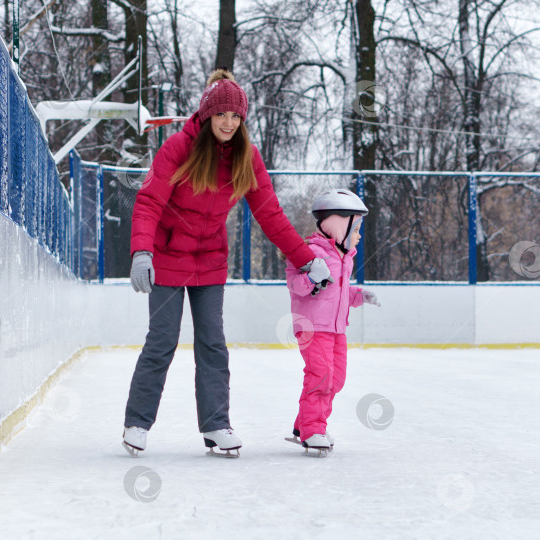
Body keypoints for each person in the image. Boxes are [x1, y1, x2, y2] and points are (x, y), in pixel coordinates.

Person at [122, 69, 334, 458]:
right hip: (167, 257)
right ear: (206, 115)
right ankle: (137, 422)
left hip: (210, 262)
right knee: (162, 341)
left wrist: (307, 260)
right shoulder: (178, 149)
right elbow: (149, 201)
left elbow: (270, 214)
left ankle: (217, 425)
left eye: (236, 117)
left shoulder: (246, 158)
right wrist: (142, 252)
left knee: (213, 345)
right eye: (222, 115)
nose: (229, 123)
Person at [284, 188, 381, 455]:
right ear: (340, 225)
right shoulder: (309, 252)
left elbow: (338, 294)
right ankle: (313, 429)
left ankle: (304, 423)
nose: (359, 236)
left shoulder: (344, 258)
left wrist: (360, 295)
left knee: (336, 379)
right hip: (312, 327)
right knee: (321, 376)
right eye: (356, 228)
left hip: (337, 328)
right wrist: (313, 276)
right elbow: (296, 286)